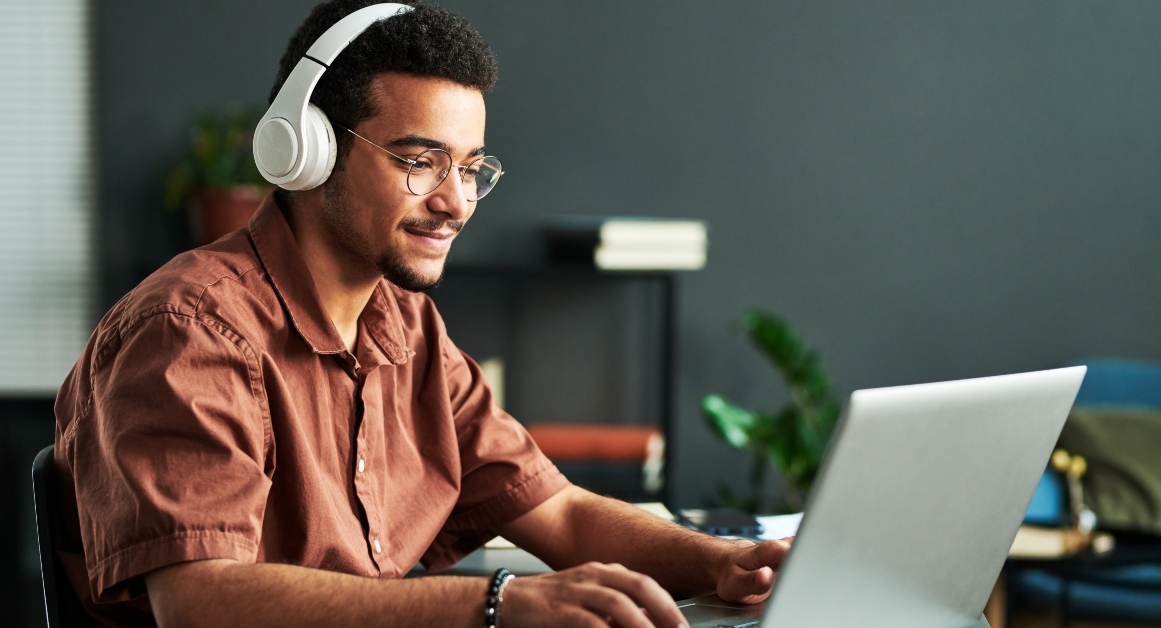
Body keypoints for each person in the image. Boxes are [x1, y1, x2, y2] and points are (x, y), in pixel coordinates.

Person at [53, 1, 789, 626]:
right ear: (307, 152)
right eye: (420, 161)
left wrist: (727, 563)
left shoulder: (406, 327)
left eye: (471, 168)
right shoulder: (190, 328)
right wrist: (496, 605)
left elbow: (557, 513)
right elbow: (198, 599)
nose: (455, 202)